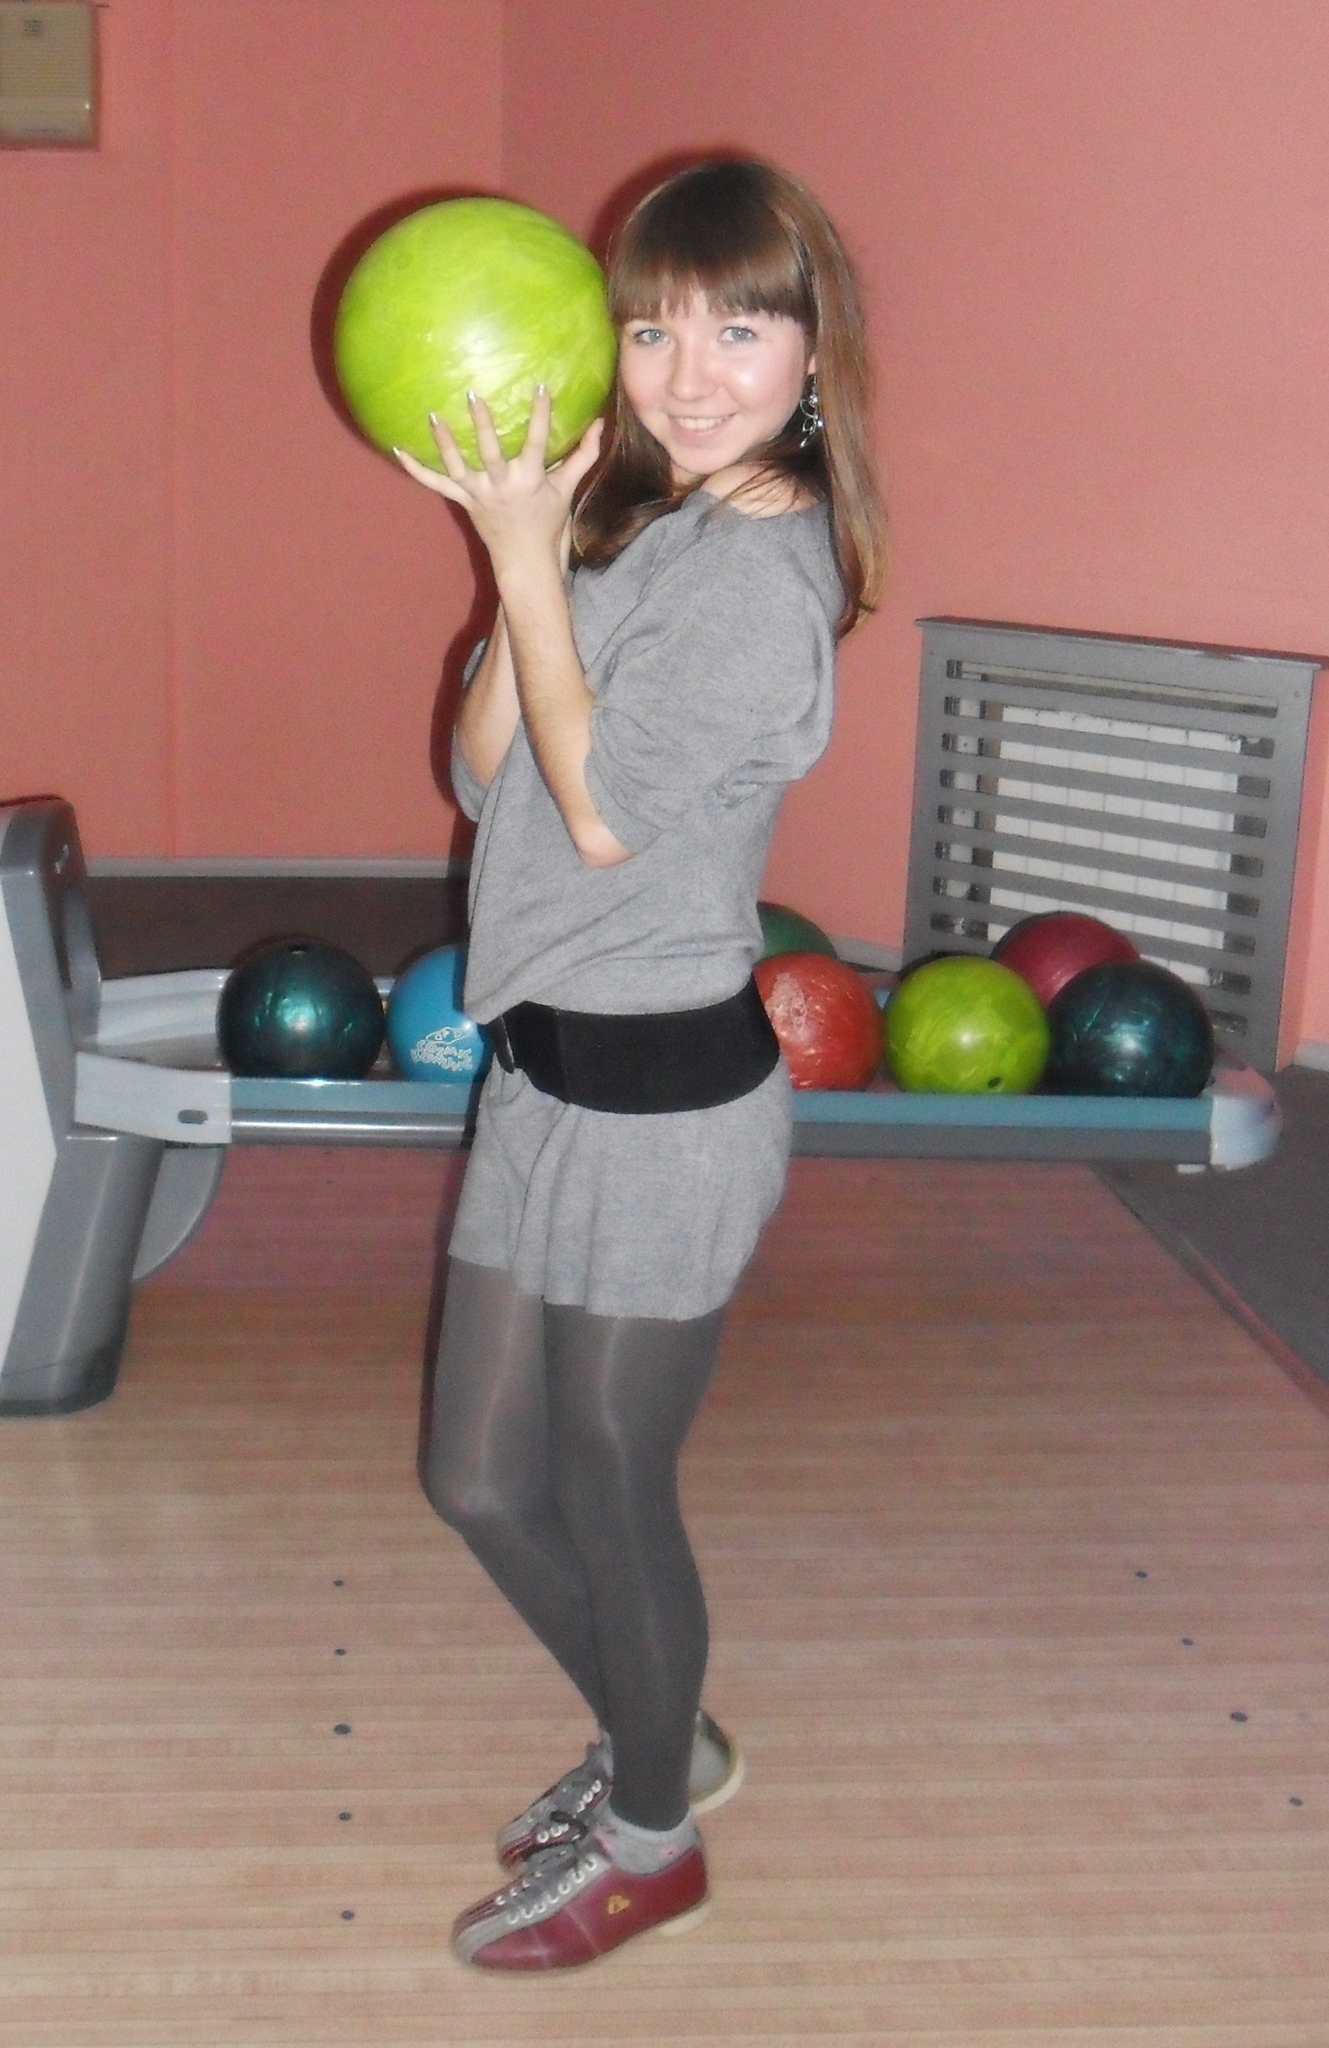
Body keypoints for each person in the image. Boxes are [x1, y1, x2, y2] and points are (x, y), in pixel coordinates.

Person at [392, 155, 886, 1971]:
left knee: (609, 1481)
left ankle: (655, 1837)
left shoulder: (761, 574)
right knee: (477, 1477)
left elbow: (597, 816)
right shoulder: (644, 520)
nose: (689, 373)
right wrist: (518, 553)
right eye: (654, 329)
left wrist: (535, 567)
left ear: (814, 353)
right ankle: (660, 1729)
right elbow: (480, 772)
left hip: (667, 1107)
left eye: (739, 328)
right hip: (542, 1076)